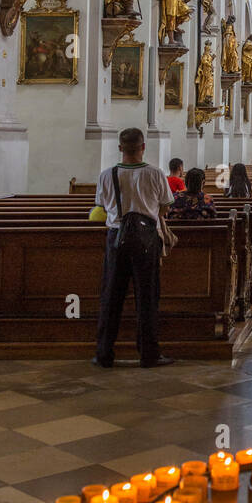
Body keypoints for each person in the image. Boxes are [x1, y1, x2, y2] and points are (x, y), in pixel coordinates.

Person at [93, 127, 174, 369]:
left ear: (120, 148)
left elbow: (101, 207)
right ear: (143, 147)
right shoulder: (155, 174)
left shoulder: (107, 175)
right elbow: (165, 208)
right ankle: (149, 354)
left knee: (111, 297)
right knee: (147, 297)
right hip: (146, 239)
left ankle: (104, 353)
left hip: (116, 238)